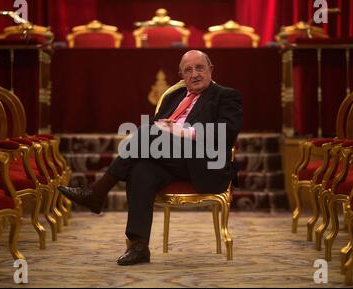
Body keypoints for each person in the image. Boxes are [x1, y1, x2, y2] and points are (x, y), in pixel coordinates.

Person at [58, 50, 243, 266]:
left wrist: (183, 132)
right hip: (172, 158)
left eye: (199, 68)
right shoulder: (174, 96)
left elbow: (227, 133)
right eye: (188, 70)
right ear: (181, 75)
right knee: (141, 170)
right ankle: (139, 246)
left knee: (145, 133)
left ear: (210, 70)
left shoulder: (226, 95)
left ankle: (98, 191)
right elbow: (157, 126)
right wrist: (164, 131)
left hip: (206, 162)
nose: (194, 74)